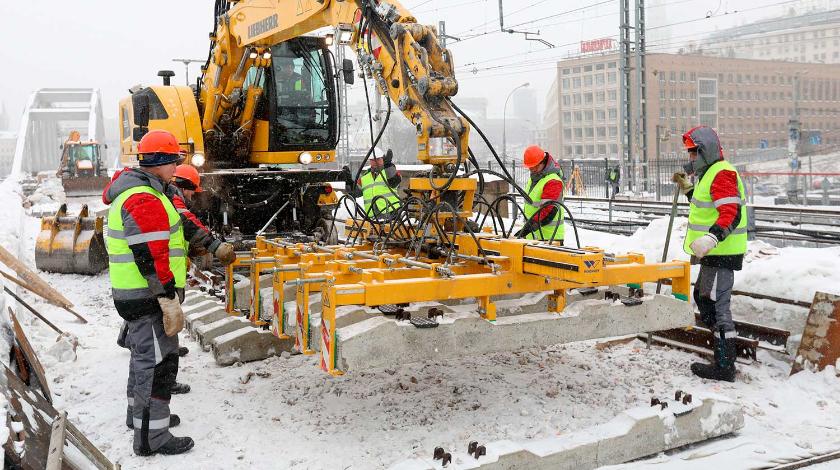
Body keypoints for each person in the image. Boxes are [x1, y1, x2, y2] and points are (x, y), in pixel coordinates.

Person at [103, 130, 193, 456]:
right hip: (147, 296)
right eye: (172, 161)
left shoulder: (134, 192)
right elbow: (151, 257)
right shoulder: (145, 198)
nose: (176, 168)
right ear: (158, 162)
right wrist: (167, 296)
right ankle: (150, 437)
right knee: (158, 364)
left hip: (135, 295)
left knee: (144, 358)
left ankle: (139, 417)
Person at [672, 125, 748, 383]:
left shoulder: (722, 173)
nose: (691, 158)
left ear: (705, 151)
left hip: (721, 250)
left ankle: (724, 365)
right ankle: (721, 351)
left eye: (694, 153)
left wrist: (713, 236)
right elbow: (707, 206)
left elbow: (731, 212)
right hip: (714, 252)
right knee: (704, 298)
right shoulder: (709, 174)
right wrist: (687, 189)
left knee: (716, 305)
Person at [515, 145, 565, 242]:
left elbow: (548, 212)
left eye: (535, 166)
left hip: (550, 239)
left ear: (543, 162)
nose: (532, 170)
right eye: (530, 167)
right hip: (534, 237)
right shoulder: (535, 177)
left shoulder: (553, 181)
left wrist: (528, 228)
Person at [357, 148, 401, 219]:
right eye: (372, 160)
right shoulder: (364, 177)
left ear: (382, 159)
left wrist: (388, 165)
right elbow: (355, 192)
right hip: (372, 217)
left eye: (377, 159)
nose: (375, 162)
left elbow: (394, 182)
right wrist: (348, 183)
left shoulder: (389, 171)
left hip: (392, 213)